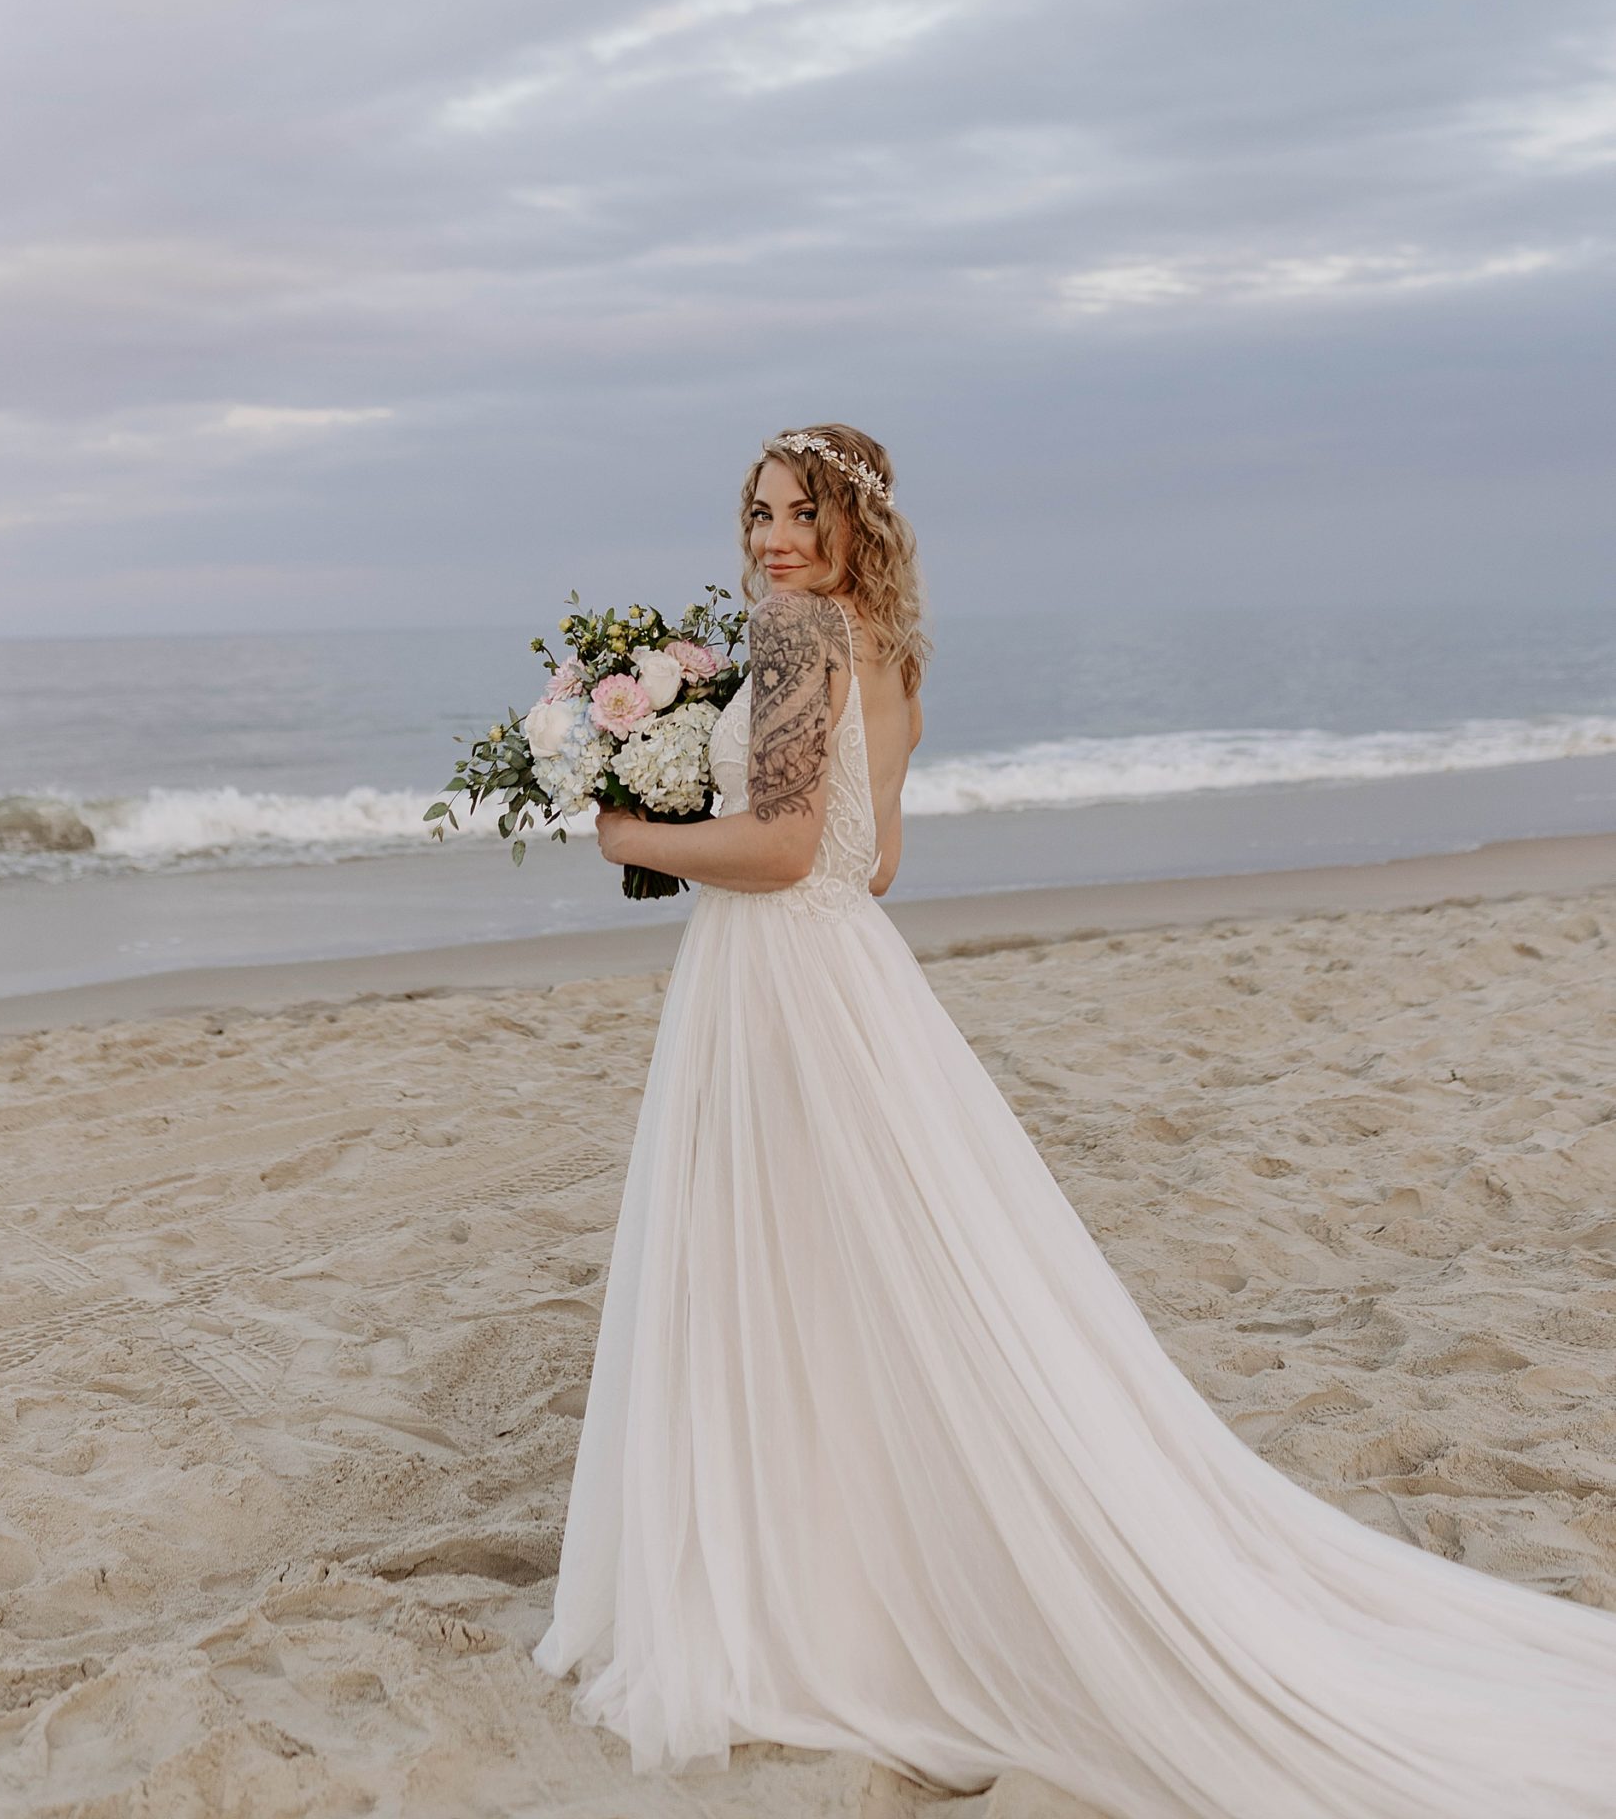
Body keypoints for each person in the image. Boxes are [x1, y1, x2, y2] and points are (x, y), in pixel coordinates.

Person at [533, 424, 1616, 1816]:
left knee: (788, 1267)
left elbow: (795, 852)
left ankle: (807, 1583)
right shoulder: (891, 649)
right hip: (843, 977)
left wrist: (638, 837)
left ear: (855, 522)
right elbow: (878, 867)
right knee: (859, 1269)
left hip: (780, 984)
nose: (773, 538)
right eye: (757, 515)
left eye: (801, 512)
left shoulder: (801, 642)